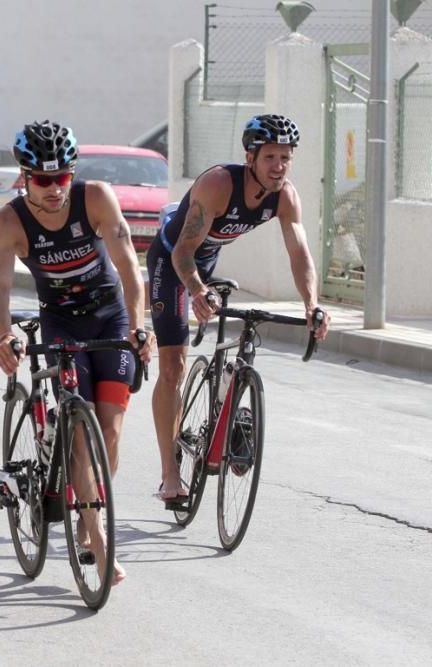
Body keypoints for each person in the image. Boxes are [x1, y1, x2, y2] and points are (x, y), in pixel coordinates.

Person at [0, 120, 155, 586]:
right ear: (24, 177)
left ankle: (89, 505)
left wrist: (140, 327)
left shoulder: (95, 198)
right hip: (61, 325)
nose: (55, 188)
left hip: (110, 319)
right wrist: (5, 336)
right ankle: (97, 541)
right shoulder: (9, 222)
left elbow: (128, 269)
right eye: (43, 179)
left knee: (111, 433)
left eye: (62, 176)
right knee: (80, 435)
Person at [146, 113, 330, 504]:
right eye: (270, 158)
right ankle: (169, 474)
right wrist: (196, 290)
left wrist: (312, 304)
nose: (279, 167)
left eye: (285, 158)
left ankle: (225, 420)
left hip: (208, 259)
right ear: (250, 158)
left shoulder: (285, 197)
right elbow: (183, 251)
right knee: (173, 365)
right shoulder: (218, 184)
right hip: (172, 259)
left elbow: (299, 253)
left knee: (236, 333)